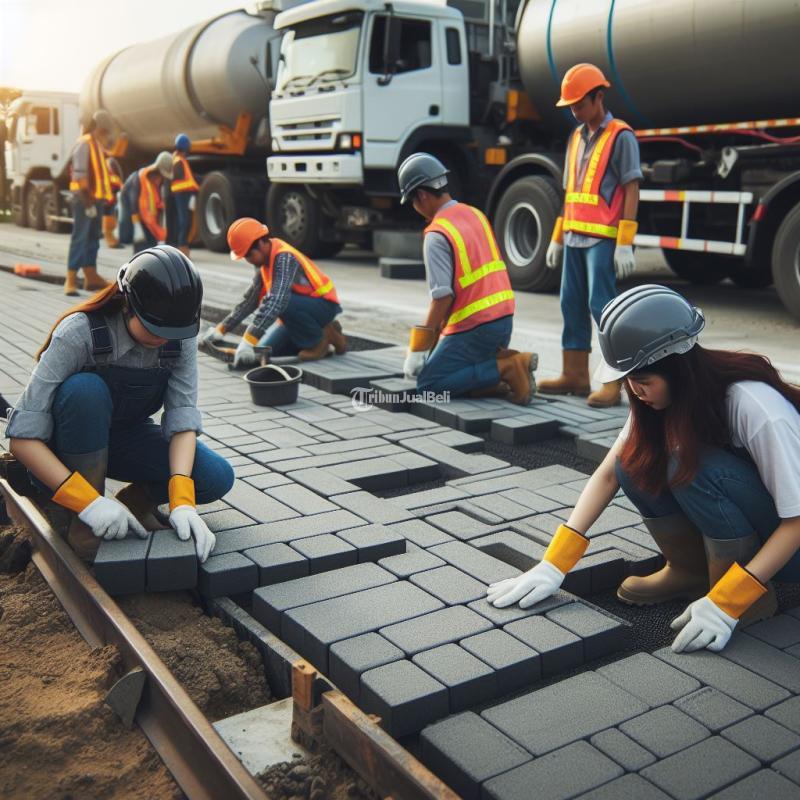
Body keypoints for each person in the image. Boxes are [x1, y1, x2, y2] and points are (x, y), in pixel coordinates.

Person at [487, 284, 800, 654]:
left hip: (791, 550)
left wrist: (729, 602)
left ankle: (744, 597)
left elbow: (796, 521)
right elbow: (608, 473)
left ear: (678, 369)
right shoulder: (663, 403)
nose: (635, 393)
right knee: (633, 461)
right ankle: (690, 573)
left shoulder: (755, 406)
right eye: (629, 382)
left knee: (694, 466)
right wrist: (553, 564)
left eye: (644, 381)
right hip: (765, 527)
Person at [5, 246, 233, 563]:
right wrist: (88, 503)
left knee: (215, 476)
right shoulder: (79, 333)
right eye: (155, 328)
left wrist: (183, 503)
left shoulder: (178, 337)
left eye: (173, 331)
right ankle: (77, 519)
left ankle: (134, 503)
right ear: (128, 305)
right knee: (86, 390)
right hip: (65, 447)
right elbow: (22, 438)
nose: (164, 339)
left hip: (124, 438)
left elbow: (181, 421)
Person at [539, 63, 642, 408]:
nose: (575, 111)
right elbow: (570, 192)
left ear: (599, 97)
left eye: (580, 104)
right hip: (573, 237)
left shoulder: (621, 135)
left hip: (602, 239)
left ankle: (613, 382)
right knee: (570, 305)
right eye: (570, 106)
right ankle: (575, 375)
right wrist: (557, 236)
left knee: (603, 309)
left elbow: (631, 188)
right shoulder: (575, 137)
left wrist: (625, 241)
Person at [398, 152, 537, 404]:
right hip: (503, 322)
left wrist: (418, 349)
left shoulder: (436, 234)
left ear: (422, 195)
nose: (415, 209)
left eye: (412, 202)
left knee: (430, 384)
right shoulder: (476, 215)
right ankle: (497, 375)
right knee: (455, 370)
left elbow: (442, 297)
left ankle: (508, 368)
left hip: (476, 327)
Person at [202, 218, 346, 368]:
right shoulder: (263, 262)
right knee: (265, 350)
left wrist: (247, 341)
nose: (248, 260)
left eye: (248, 256)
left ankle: (317, 343)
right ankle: (330, 334)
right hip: (300, 312)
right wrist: (221, 330)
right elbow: (250, 301)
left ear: (261, 244)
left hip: (323, 305)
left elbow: (277, 301)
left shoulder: (284, 257)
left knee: (280, 302)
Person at [65, 109, 115, 296]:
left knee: (93, 237)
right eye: (105, 130)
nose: (106, 134)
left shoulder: (97, 145)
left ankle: (91, 276)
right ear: (100, 127)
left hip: (96, 199)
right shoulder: (84, 144)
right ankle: (70, 279)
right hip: (84, 199)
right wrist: (87, 203)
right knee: (80, 237)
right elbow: (79, 175)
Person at [120, 151, 173, 251]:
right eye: (161, 176)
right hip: (136, 218)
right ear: (156, 170)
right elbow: (133, 205)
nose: (161, 180)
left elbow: (156, 204)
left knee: (151, 248)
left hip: (148, 221)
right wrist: (137, 226)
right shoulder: (137, 180)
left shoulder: (155, 182)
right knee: (141, 249)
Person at [167, 133, 199, 256]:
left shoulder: (179, 159)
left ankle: (181, 245)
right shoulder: (178, 160)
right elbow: (179, 178)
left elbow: (187, 177)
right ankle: (182, 246)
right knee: (184, 221)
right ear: (186, 147)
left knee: (183, 220)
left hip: (184, 193)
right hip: (182, 194)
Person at [102, 156, 124, 249]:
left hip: (110, 199)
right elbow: (116, 182)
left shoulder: (109, 169)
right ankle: (110, 241)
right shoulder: (109, 174)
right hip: (107, 200)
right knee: (108, 221)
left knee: (111, 220)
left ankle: (111, 240)